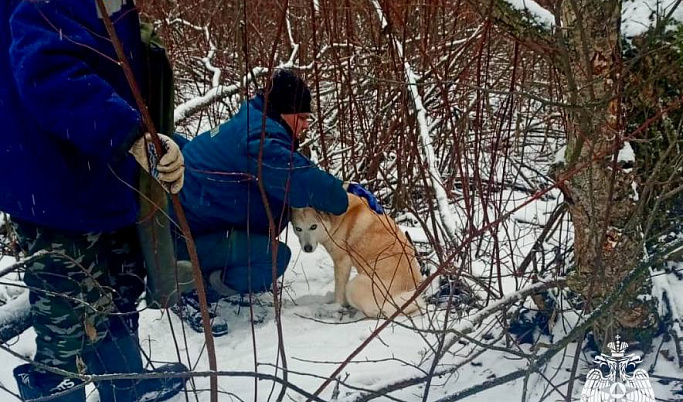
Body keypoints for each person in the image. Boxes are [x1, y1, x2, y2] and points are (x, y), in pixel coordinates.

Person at [1, 1, 188, 401]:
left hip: (104, 168)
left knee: (120, 291)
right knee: (66, 325)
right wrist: (127, 132)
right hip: (54, 182)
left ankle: (125, 387)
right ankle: (58, 392)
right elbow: (45, 69)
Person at [172, 69, 383, 335]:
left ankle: (203, 270)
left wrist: (345, 186)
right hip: (182, 238)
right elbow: (305, 183)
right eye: (303, 117)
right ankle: (189, 287)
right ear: (285, 111)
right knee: (272, 261)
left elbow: (295, 169)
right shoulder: (259, 140)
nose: (307, 125)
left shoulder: (254, 122)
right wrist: (342, 196)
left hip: (193, 223)